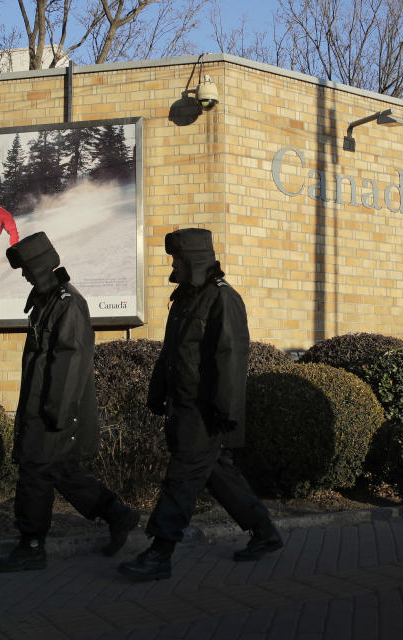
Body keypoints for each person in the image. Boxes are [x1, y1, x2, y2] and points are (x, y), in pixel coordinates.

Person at [118, 228, 283, 581]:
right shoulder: (184, 300)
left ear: (193, 259)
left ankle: (160, 553)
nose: (173, 264)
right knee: (218, 475)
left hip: (205, 411)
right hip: (183, 406)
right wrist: (157, 391)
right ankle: (266, 533)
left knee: (182, 478)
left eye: (177, 258)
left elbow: (230, 358)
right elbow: (172, 353)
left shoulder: (222, 299)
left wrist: (224, 411)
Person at [0, 231, 140, 572]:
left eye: (27, 268)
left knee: (35, 471)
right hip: (43, 408)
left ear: (41, 266)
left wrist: (55, 415)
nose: (25, 275)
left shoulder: (67, 304)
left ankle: (31, 546)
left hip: (52, 411)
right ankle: (117, 514)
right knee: (59, 471)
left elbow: (71, 361)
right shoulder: (48, 303)